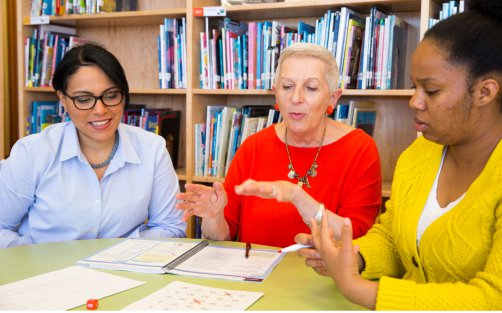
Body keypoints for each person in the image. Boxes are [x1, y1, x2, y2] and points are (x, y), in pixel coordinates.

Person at [295, 0, 502, 309]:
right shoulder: (419, 154)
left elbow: (492, 298)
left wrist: (357, 288)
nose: (414, 102)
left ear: (485, 92)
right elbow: (393, 237)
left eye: (431, 91)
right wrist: (352, 257)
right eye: (413, 87)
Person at [176, 43, 382, 247]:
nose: (295, 98)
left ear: (333, 98)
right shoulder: (253, 147)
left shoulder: (359, 149)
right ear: (276, 93)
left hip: (324, 276)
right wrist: (213, 216)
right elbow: (222, 236)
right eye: (287, 86)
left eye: (310, 88)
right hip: (254, 275)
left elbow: (357, 239)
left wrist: (298, 197)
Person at [0, 43, 186, 248]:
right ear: (63, 99)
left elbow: (171, 227)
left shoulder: (152, 149)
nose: (100, 110)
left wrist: (115, 254)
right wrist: (36, 260)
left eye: (111, 95)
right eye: (84, 99)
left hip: (122, 272)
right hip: (43, 274)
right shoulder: (32, 153)